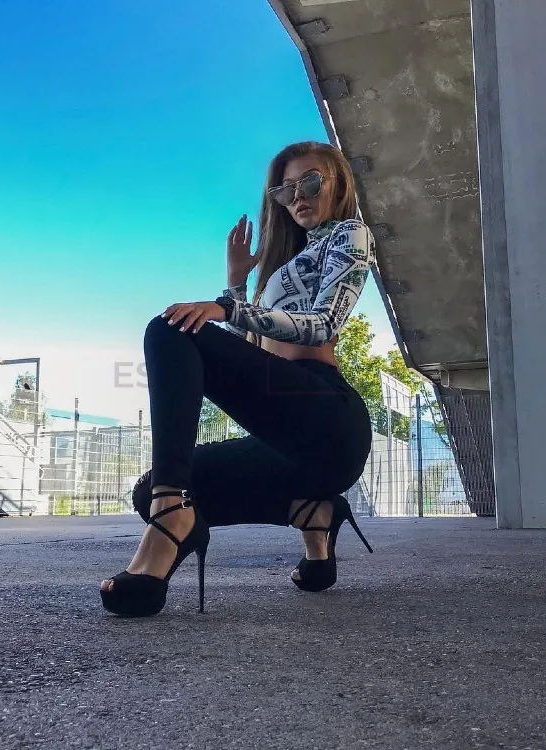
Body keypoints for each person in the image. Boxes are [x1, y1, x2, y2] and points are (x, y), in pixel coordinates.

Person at [100, 140, 376, 618]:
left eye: (310, 182)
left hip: (327, 419)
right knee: (150, 489)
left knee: (170, 329)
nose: (298, 196)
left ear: (339, 184)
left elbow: (323, 323)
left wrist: (227, 307)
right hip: (283, 438)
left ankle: (171, 520)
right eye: (285, 191)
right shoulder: (288, 261)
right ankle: (314, 512)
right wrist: (236, 283)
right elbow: (250, 350)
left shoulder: (350, 234)